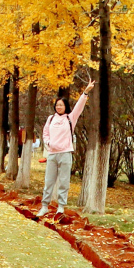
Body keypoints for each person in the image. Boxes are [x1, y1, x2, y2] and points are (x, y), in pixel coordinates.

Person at [40, 87, 90, 215]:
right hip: (52, 154)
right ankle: (44, 206)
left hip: (65, 154)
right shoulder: (51, 119)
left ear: (65, 106)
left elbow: (79, 107)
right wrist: (48, 143)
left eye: (61, 105)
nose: (59, 107)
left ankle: (61, 206)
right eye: (57, 105)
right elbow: (45, 133)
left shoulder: (70, 118)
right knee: (49, 181)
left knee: (63, 181)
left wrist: (85, 93)